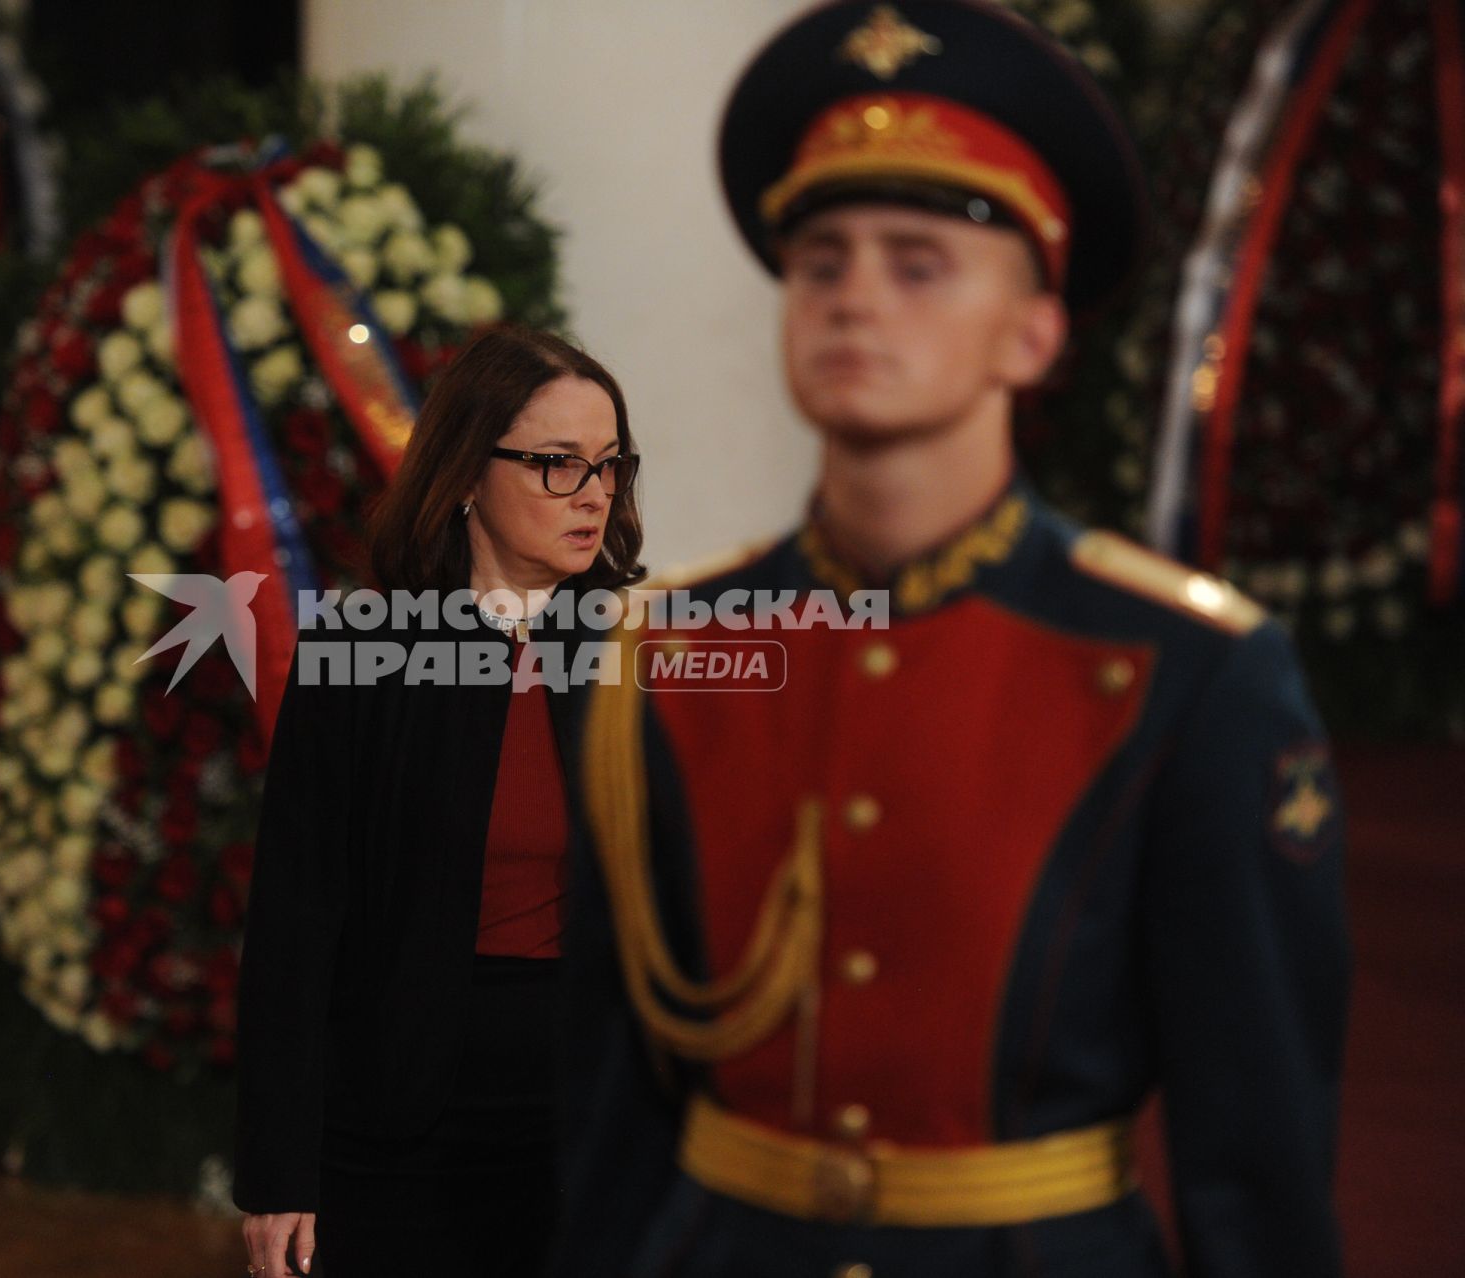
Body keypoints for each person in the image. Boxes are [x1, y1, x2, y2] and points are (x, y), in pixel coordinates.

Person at [554, 3, 1350, 1276]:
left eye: (918, 263)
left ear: (1031, 335)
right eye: (821, 261)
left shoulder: (1190, 674)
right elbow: (601, 1112)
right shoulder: (667, 653)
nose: (854, 298)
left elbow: (1252, 1156)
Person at [233, 326, 645, 1278]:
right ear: (466, 473)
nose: (594, 493)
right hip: (399, 1122)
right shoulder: (357, 656)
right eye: (557, 464)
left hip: (596, 1116)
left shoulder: (642, 661)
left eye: (610, 465)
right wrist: (277, 1171)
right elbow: (295, 930)